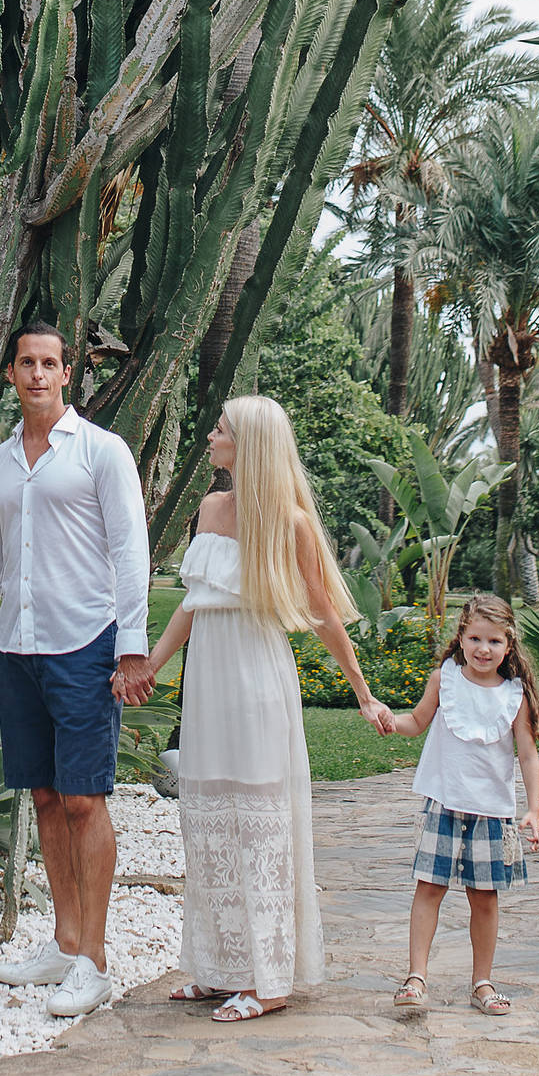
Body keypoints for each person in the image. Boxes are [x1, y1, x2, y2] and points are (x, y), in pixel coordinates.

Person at [146, 397, 389, 1023]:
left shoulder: (291, 522)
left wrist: (362, 691)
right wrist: (151, 664)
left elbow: (323, 614)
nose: (210, 433)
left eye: (220, 427)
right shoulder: (209, 509)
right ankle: (218, 968)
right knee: (209, 822)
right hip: (207, 687)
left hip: (257, 682)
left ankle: (270, 979)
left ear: (248, 443)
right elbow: (193, 604)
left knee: (260, 827)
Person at [0, 327, 152, 1019]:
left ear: (68, 373)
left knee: (82, 800)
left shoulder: (101, 452)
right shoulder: (1, 464)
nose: (38, 374)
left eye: (49, 363)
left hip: (86, 645)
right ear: (10, 373)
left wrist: (133, 645)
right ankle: (66, 943)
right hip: (20, 650)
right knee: (42, 797)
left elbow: (130, 550)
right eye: (26, 364)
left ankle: (94, 962)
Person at [382, 590, 539, 1017]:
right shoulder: (446, 679)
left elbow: (527, 754)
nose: (483, 649)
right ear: (461, 637)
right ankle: (416, 976)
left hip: (492, 812)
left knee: (485, 898)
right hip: (445, 802)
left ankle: (482, 982)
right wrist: (390, 722)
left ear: (508, 645)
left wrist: (533, 809)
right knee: (430, 888)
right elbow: (417, 721)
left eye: (494, 641)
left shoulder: (514, 694)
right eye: (475, 639)